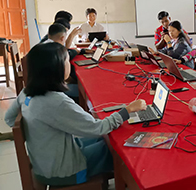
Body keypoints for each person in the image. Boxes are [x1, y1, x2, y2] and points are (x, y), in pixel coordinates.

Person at [5, 42, 146, 186]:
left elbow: (9, 119)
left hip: (45, 163)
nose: (70, 64)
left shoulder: (26, 92)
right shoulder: (56, 101)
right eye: (67, 60)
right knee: (118, 149)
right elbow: (99, 128)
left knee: (103, 140)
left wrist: (39, 133)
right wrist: (127, 111)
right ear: (56, 68)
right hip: (64, 171)